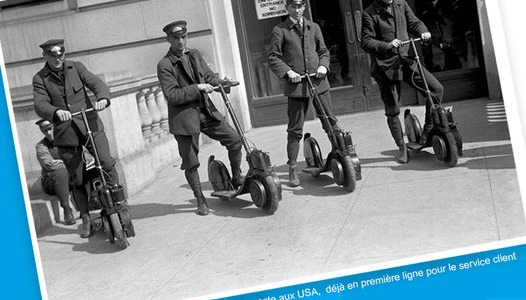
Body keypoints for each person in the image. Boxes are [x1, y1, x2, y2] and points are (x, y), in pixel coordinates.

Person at [33, 39, 119, 238]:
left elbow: (96, 83)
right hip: (66, 132)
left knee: (106, 163)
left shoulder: (76, 67)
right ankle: (86, 217)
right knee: (78, 179)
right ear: (45, 56)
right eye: (53, 54)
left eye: (61, 53)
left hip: (90, 125)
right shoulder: (40, 79)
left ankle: (118, 202)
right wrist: (55, 112)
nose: (58, 58)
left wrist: (103, 98)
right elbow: (40, 104)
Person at [157, 20, 243, 216]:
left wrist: (224, 82)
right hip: (184, 119)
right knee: (191, 161)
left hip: (206, 112)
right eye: (176, 38)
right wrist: (197, 88)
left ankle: (237, 177)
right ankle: (200, 199)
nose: (181, 41)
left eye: (184, 37)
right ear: (168, 39)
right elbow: (172, 95)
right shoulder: (164, 65)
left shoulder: (195, 54)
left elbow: (210, 78)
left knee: (235, 139)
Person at [361, 0, 444, 164]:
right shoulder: (369, 13)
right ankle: (402, 147)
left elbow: (415, 23)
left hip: (406, 60)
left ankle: (427, 133)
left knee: (435, 89)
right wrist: (387, 45)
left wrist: (423, 31)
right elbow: (366, 41)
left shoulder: (401, 4)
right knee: (393, 110)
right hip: (385, 67)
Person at [268, 0, 341, 187]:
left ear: (304, 7)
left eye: (300, 6)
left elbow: (323, 51)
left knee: (330, 121)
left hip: (318, 82)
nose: (297, 10)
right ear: (287, 8)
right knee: (295, 129)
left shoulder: (313, 27)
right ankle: (292, 167)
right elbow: (273, 58)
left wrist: (324, 66)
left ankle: (341, 155)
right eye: (293, 6)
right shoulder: (280, 30)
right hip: (297, 86)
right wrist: (288, 72)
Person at [35, 119, 76, 225]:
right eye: (45, 131)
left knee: (83, 169)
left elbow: (85, 158)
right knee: (60, 171)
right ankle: (67, 210)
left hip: (71, 179)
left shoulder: (69, 140)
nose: (49, 133)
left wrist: (62, 162)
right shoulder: (41, 146)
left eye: (50, 128)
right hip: (51, 182)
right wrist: (68, 163)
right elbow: (49, 164)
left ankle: (91, 202)